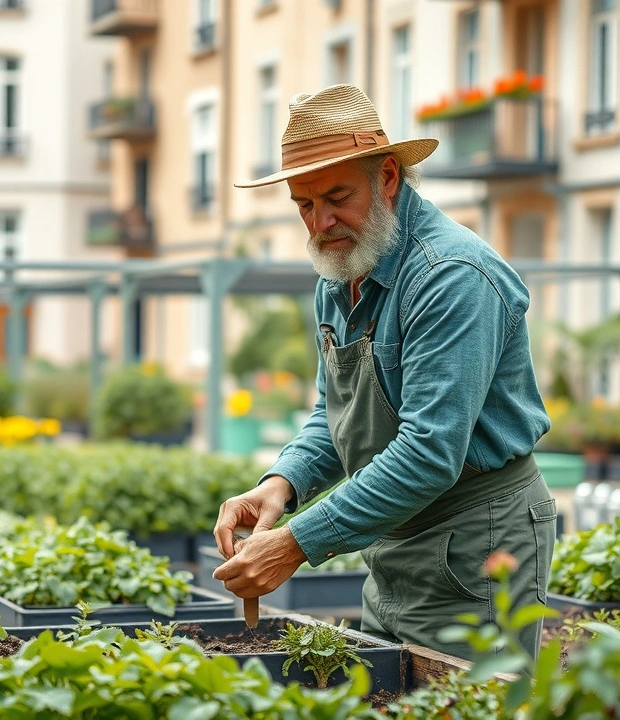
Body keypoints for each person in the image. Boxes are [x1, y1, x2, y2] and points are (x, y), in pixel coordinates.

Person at [211, 84, 554, 661]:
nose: (320, 222)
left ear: (388, 177)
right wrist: (282, 484)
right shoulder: (342, 270)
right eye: (303, 205)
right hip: (390, 544)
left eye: (336, 197)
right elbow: (335, 411)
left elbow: (428, 452)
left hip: (478, 545)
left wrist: (294, 543)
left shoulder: (450, 276)